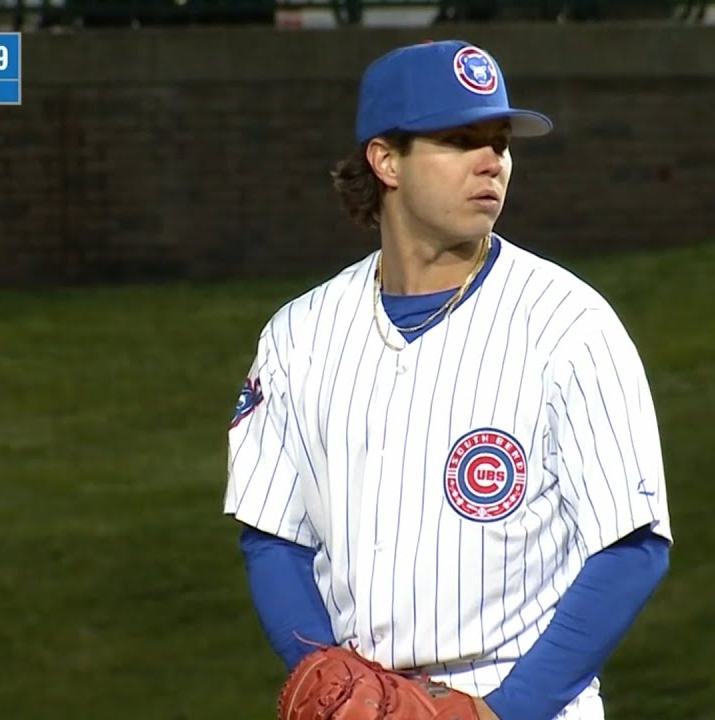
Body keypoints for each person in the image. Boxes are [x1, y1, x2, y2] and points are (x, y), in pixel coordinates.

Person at [224, 39, 672, 720]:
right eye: (460, 140)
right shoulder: (299, 336)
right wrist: (331, 683)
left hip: (529, 701)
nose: (493, 161)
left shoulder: (568, 323)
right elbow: (273, 536)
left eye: (499, 141)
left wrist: (501, 712)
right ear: (385, 161)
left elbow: (631, 548)